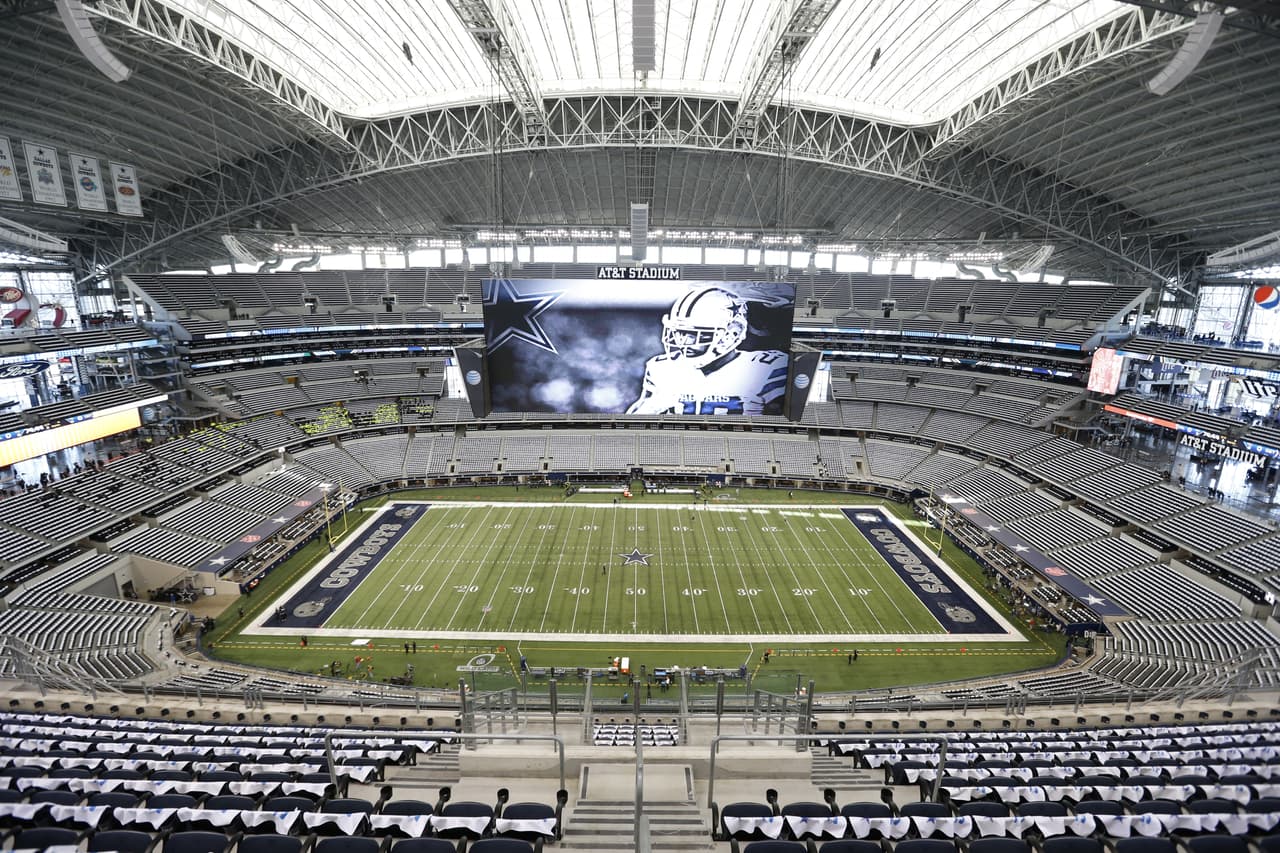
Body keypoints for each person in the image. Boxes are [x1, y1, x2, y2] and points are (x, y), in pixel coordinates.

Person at [626, 285, 789, 416]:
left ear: (730, 335)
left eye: (695, 334)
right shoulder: (662, 368)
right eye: (679, 333)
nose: (683, 342)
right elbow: (635, 424)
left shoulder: (765, 368)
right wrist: (653, 407)